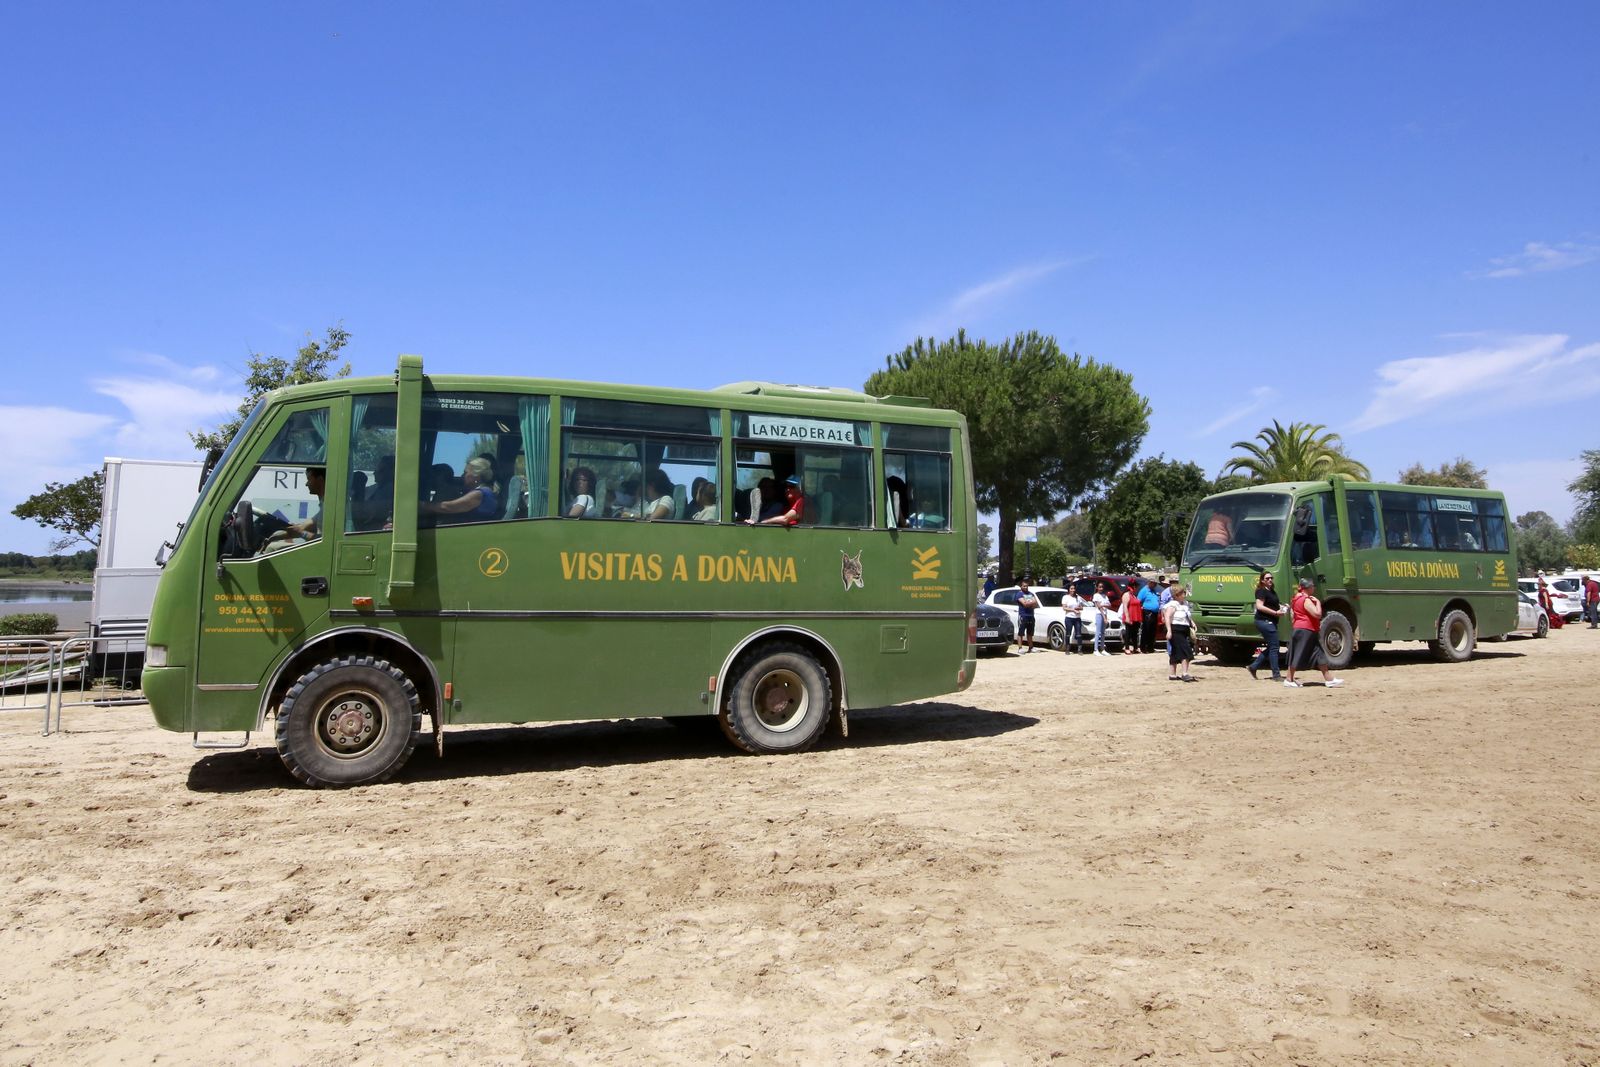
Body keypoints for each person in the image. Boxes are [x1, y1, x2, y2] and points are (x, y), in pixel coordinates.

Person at [1284, 577, 1343, 688]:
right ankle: (1289, 679)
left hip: (1304, 629)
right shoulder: (1306, 600)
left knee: (1319, 654)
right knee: (1297, 654)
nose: (1314, 588)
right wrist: (1318, 603)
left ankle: (1329, 679)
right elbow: (1317, 614)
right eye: (1312, 586)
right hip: (1305, 630)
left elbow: (1292, 615)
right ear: (1308, 588)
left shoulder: (1296, 598)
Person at [422, 456, 498, 523]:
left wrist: (421, 505)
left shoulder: (479, 494)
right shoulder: (485, 490)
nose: (462, 475)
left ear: (476, 476)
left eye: (465, 473)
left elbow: (448, 507)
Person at [265, 465, 325, 547]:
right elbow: (303, 527)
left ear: (320, 480)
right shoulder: (325, 506)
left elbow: (325, 541)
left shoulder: (330, 509)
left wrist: (301, 533)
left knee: (272, 548)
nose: (306, 484)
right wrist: (273, 537)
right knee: (275, 541)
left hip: (322, 552)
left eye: (309, 479)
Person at [1247, 573, 1288, 681]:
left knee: (1272, 646)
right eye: (1267, 578)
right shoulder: (1261, 591)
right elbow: (1259, 606)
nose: (1270, 580)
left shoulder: (1272, 591)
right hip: (1264, 621)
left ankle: (1253, 667)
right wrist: (1275, 613)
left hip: (1270, 621)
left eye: (1271, 578)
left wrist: (1283, 607)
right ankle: (1276, 675)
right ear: (1262, 580)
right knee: (1275, 647)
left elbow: (1274, 604)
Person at [1162, 581, 1196, 681]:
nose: (1184, 595)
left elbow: (1187, 615)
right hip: (1175, 629)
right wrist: (1169, 631)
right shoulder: (1173, 604)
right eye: (1182, 593)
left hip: (1183, 629)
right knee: (1186, 651)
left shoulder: (1184, 604)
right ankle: (1185, 673)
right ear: (1176, 595)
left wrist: (1192, 623)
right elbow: (1167, 617)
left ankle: (1172, 674)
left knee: (1175, 651)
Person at [1015, 577, 1039, 653]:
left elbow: (1036, 603)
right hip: (1023, 615)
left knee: (1030, 632)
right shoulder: (1019, 594)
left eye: (1026, 586)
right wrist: (1030, 603)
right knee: (1021, 632)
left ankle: (1031, 647)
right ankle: (1020, 648)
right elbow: (1024, 604)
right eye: (1024, 586)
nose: (1025, 587)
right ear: (1021, 586)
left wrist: (1029, 603)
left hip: (1031, 615)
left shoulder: (1031, 594)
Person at [1138, 577, 1161, 654]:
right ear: (1150, 583)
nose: (1155, 585)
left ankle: (1150, 647)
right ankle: (1143, 647)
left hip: (1154, 612)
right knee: (1146, 629)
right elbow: (1138, 601)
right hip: (1148, 612)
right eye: (1154, 584)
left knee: (1152, 630)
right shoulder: (1144, 591)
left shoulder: (1153, 591)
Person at [1119, 581, 1143, 655]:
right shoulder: (1126, 595)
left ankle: (1135, 647)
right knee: (1128, 632)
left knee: (1135, 633)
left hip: (1136, 615)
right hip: (1130, 615)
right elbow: (1125, 606)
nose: (1136, 588)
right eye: (1135, 586)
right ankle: (1126, 647)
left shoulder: (1134, 595)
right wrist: (1127, 617)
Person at [1091, 582, 1112, 656]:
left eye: (1102, 587)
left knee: (1103, 633)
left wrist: (1103, 605)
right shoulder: (1096, 595)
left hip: (1105, 614)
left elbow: (1109, 605)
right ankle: (1095, 649)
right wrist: (1104, 617)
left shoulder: (1105, 596)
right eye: (1099, 587)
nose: (1101, 588)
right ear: (1097, 587)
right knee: (1098, 632)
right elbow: (1099, 607)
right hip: (1099, 615)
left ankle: (1102, 648)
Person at [1060, 585, 1083, 653]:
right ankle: (1067, 648)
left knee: (1079, 634)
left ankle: (1079, 649)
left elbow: (1081, 607)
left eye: (1074, 589)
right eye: (1071, 589)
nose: (1073, 590)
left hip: (1077, 618)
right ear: (1069, 590)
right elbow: (1064, 608)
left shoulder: (1078, 597)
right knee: (1068, 633)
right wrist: (1073, 610)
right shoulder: (1065, 597)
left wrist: (1078, 608)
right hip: (1069, 617)